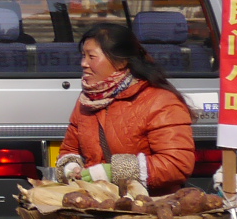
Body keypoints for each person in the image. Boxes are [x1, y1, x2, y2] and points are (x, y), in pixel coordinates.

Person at [60, 22, 197, 189]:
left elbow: (176, 164)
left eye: (91, 57)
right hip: (99, 200)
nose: (84, 63)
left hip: (149, 202)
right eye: (83, 56)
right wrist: (71, 167)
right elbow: (69, 149)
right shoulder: (87, 100)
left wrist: (115, 171)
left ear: (121, 62)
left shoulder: (161, 101)